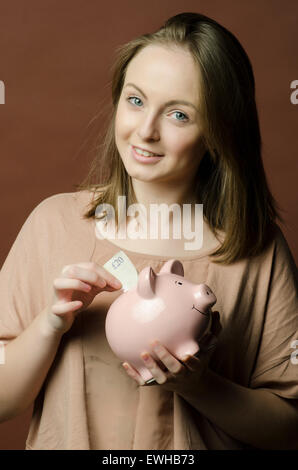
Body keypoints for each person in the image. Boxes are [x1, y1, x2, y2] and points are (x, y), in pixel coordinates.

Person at [0, 12, 297, 450]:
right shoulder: (53, 223)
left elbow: (289, 426)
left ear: (218, 133)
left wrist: (198, 386)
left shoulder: (256, 250)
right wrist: (50, 324)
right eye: (135, 101)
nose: (145, 130)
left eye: (179, 114)